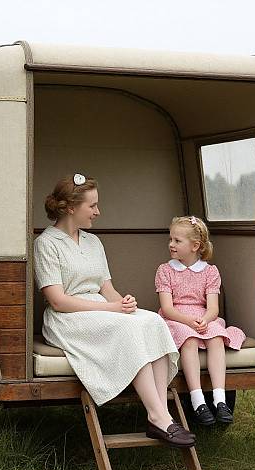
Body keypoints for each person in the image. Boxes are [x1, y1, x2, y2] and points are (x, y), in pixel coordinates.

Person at [34, 173, 194, 448]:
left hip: (101, 309)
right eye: (92, 205)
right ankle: (158, 416)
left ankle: (161, 415)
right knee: (129, 327)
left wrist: (125, 304)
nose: (98, 211)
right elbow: (58, 301)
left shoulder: (93, 242)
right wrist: (113, 309)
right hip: (66, 319)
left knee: (152, 321)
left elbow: (107, 289)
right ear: (71, 208)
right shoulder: (46, 244)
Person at [155, 216, 246, 426]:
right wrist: (188, 321)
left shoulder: (209, 271)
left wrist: (204, 320)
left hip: (201, 317)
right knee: (190, 340)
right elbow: (167, 308)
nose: (171, 244)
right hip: (176, 318)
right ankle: (197, 400)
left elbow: (213, 308)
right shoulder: (165, 270)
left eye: (177, 241)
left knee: (215, 337)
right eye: (170, 239)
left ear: (195, 246)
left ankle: (220, 399)